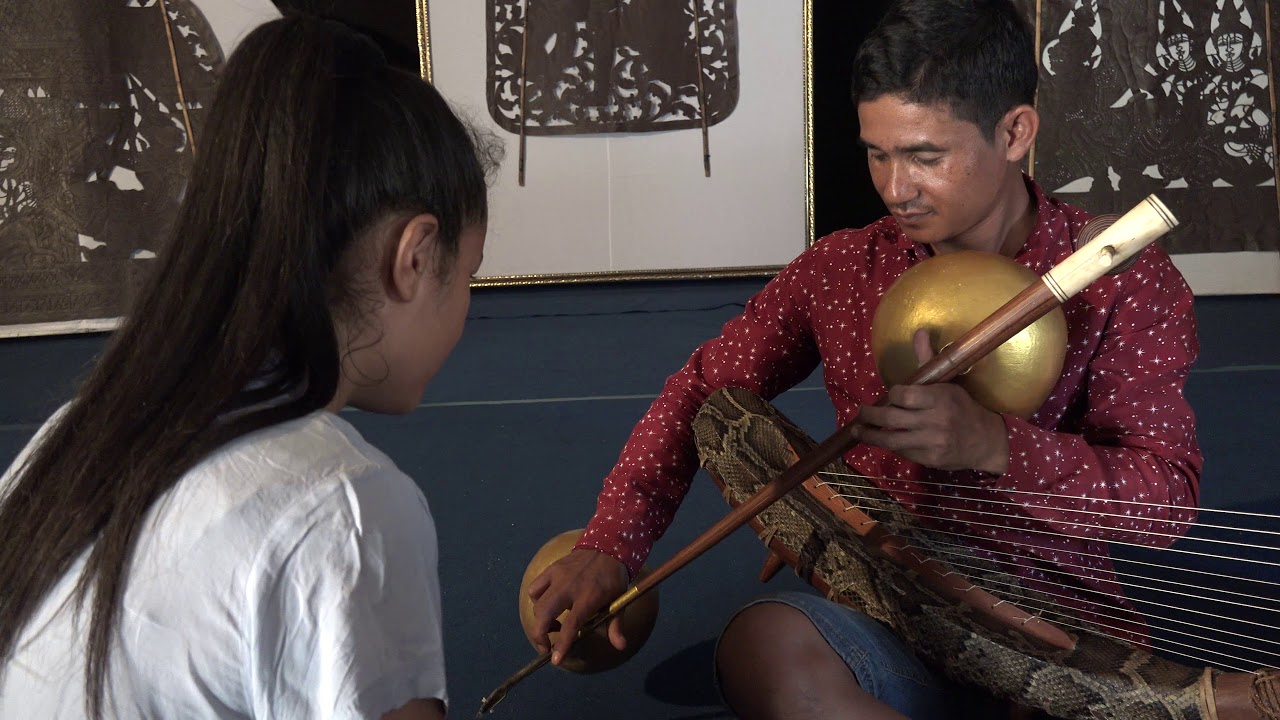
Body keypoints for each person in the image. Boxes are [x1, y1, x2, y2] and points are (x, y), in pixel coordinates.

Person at [526, 1, 1202, 718]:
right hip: (890, 614)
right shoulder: (841, 270)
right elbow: (700, 391)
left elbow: (1165, 502)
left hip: (1050, 638)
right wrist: (610, 544)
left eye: (925, 157)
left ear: (1014, 133)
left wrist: (994, 445)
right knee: (763, 648)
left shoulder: (1118, 278)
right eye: (878, 153)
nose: (895, 188)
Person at [0, 16, 496, 720]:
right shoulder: (342, 508)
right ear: (413, 257)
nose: (466, 304)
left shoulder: (67, 441)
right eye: (469, 272)